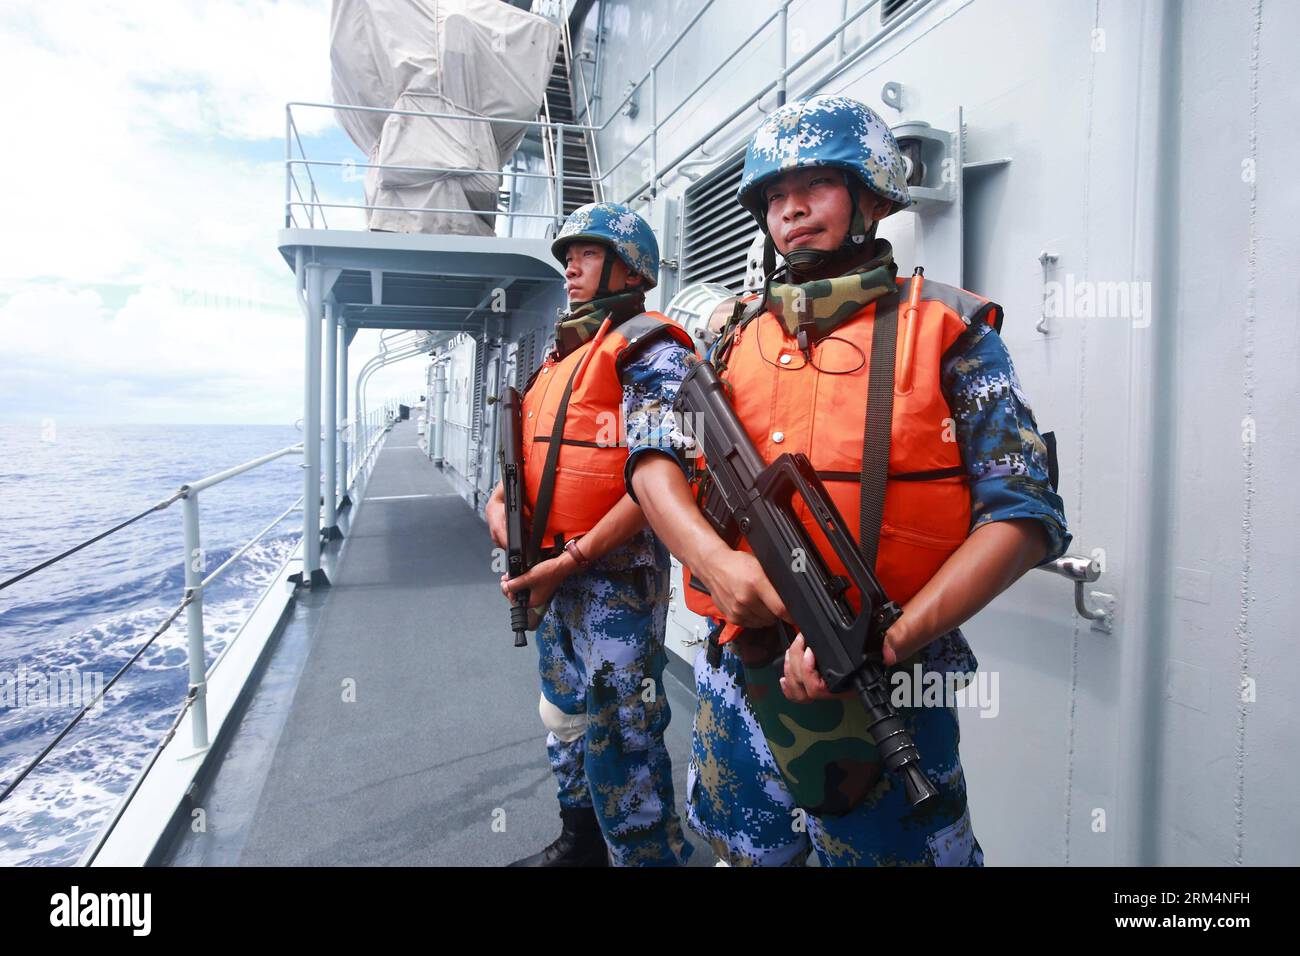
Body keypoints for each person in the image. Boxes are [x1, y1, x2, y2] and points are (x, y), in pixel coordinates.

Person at [624, 94, 1071, 866]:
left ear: (871, 197)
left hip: (888, 691)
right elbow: (654, 459)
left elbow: (1024, 516)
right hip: (741, 678)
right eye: (773, 198)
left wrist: (884, 643)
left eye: (815, 187)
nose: (790, 211)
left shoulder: (952, 333)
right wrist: (717, 564)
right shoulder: (728, 335)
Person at [485, 201, 696, 867]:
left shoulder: (650, 350)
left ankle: (646, 858)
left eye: (587, 252)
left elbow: (660, 478)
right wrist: (501, 513)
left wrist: (572, 557)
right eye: (567, 256)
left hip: (614, 581)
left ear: (629, 266)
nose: (570, 266)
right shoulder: (557, 361)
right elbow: (521, 467)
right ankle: (580, 846)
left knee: (622, 731)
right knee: (564, 716)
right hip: (553, 573)